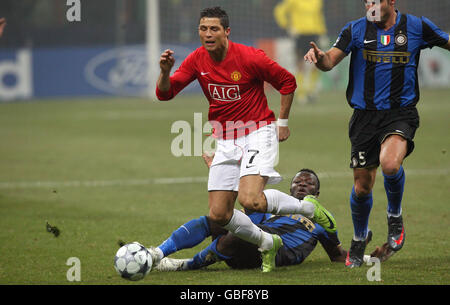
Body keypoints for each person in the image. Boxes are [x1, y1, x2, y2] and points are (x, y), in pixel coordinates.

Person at [156, 6, 336, 272]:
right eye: (203, 29)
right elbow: (165, 93)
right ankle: (267, 242)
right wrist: (164, 72)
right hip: (226, 139)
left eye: (214, 29)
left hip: (258, 130)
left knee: (250, 199)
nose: (208, 34)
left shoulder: (250, 57)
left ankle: (308, 208)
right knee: (219, 215)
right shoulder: (197, 59)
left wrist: (282, 123)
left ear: (226, 31)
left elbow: (287, 81)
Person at [304, 0, 450, 268]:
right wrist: (319, 58)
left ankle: (395, 216)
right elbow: (330, 61)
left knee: (390, 163)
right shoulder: (355, 30)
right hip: (364, 118)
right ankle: (360, 238)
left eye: (376, 1)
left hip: (400, 113)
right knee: (362, 187)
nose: (370, 6)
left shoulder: (417, 27)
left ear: (391, 2)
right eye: (367, 1)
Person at [150, 167, 348, 272]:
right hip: (249, 244)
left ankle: (184, 265)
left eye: (309, 183)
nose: (302, 185)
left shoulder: (323, 221)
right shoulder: (270, 206)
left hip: (275, 254)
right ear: (290, 188)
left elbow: (337, 255)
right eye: (298, 181)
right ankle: (159, 252)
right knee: (217, 218)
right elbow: (243, 219)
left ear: (317, 192)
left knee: (236, 237)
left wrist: (368, 256)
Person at [274, 0, 327, 104]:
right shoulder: (293, 1)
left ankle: (312, 91)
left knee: (316, 63)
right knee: (300, 63)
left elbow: (319, 17)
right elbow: (279, 11)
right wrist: (287, 26)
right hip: (300, 34)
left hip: (314, 34)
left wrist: (322, 33)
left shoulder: (317, 1)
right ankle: (302, 93)